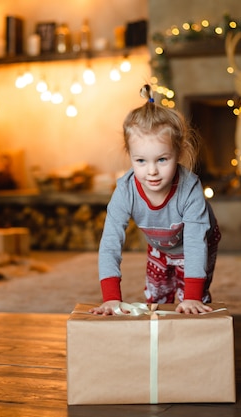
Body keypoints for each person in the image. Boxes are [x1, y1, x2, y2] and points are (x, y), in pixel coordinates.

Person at [90, 85, 221, 315]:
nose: (152, 171)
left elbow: (194, 244)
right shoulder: (125, 191)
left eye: (162, 160)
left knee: (188, 300)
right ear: (129, 155)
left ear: (178, 154)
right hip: (160, 244)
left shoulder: (189, 190)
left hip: (198, 241)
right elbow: (110, 243)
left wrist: (192, 297)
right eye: (141, 161)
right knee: (156, 297)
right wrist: (111, 298)